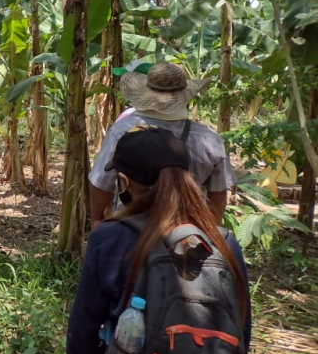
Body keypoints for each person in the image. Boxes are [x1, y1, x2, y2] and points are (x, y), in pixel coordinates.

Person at [64, 128, 251, 354]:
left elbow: (84, 322)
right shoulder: (223, 241)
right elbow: (241, 330)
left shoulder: (109, 237)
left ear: (124, 183)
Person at [89, 62, 235, 229]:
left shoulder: (122, 130)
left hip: (131, 229)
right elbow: (218, 193)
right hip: (189, 232)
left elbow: (101, 182)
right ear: (185, 95)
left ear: (146, 93)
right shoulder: (209, 139)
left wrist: (97, 221)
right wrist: (209, 232)